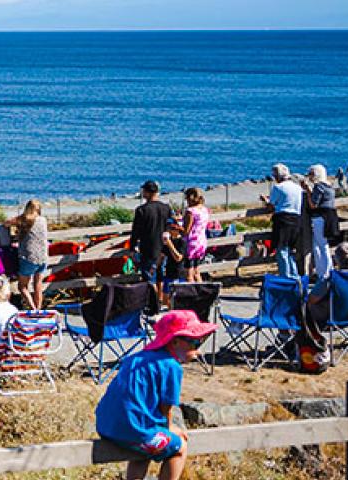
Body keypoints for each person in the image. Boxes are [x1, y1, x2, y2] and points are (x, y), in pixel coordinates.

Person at [95, 310, 215, 480]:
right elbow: (166, 407)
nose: (198, 350)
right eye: (194, 343)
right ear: (175, 342)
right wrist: (170, 428)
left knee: (144, 452)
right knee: (180, 447)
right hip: (135, 431)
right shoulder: (171, 366)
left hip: (106, 426)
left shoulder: (135, 358)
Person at [261, 165, 304, 276]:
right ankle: (295, 277)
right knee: (290, 251)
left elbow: (271, 207)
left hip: (283, 220)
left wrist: (265, 201)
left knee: (282, 250)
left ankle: (285, 277)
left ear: (277, 176)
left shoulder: (278, 188)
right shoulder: (297, 188)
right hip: (296, 220)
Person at [129, 180, 175, 281]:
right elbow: (170, 224)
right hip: (164, 248)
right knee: (161, 277)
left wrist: (132, 248)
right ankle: (160, 297)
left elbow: (136, 231)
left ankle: (152, 297)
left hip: (148, 249)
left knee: (149, 278)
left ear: (147, 192)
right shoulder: (166, 208)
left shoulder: (142, 210)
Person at [12, 200, 51, 309]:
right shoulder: (43, 220)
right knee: (38, 285)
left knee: (22, 287)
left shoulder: (24, 219)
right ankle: (38, 309)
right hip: (43, 257)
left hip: (29, 257)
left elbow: (6, 223)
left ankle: (34, 309)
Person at [306, 165, 338, 281]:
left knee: (321, 246)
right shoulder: (329, 186)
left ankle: (327, 272)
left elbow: (313, 204)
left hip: (320, 217)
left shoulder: (319, 186)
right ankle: (323, 272)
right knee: (319, 245)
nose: (309, 176)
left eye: (311, 174)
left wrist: (307, 192)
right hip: (330, 216)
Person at [179, 189, 211, 284]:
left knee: (188, 272)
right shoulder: (204, 209)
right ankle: (201, 292)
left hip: (191, 243)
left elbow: (186, 231)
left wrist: (176, 227)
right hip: (201, 241)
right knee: (196, 271)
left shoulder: (191, 211)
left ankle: (192, 293)